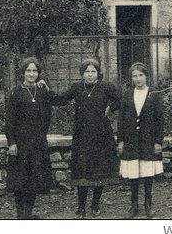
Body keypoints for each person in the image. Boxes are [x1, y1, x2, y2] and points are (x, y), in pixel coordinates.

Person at [48, 57, 120, 218]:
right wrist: (45, 89)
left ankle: (95, 204)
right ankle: (81, 207)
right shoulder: (77, 88)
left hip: (102, 136)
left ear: (98, 73)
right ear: (82, 74)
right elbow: (60, 100)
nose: (90, 75)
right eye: (86, 72)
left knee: (100, 171)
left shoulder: (106, 87)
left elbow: (119, 100)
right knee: (82, 172)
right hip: (82, 136)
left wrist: (110, 108)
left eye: (93, 71)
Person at [5, 56, 53, 219]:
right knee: (20, 180)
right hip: (20, 143)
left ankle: (28, 214)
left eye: (34, 71)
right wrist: (11, 142)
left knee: (33, 180)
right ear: (23, 73)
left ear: (38, 73)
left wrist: (42, 135)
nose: (31, 74)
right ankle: (20, 215)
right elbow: (10, 120)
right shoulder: (16, 92)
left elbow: (48, 114)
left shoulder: (41, 91)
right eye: (28, 71)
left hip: (37, 142)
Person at [118, 62, 164, 219]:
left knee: (147, 172)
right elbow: (122, 119)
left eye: (140, 75)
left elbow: (159, 120)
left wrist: (158, 141)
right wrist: (121, 140)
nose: (138, 79)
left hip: (147, 139)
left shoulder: (154, 95)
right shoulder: (127, 94)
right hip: (130, 139)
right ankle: (134, 205)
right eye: (134, 76)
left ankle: (148, 204)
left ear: (146, 76)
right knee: (133, 173)